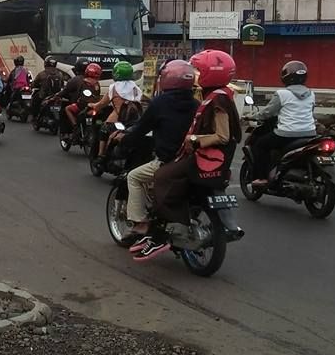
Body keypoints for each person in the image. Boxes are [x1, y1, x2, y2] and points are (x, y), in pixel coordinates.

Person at [141, 50, 243, 261]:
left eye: (198, 70)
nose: (194, 75)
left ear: (209, 73)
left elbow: (222, 136)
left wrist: (195, 140)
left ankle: (175, 227)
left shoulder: (218, 100)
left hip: (206, 158)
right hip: (215, 162)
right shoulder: (220, 95)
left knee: (162, 177)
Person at [113, 60, 199, 247]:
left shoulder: (160, 102)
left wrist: (124, 139)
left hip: (168, 160)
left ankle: (141, 223)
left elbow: (141, 128)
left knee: (134, 177)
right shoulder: (196, 103)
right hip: (191, 160)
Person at [249, 60, 317, 187]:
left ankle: (262, 178)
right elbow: (310, 111)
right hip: (310, 134)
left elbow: (268, 113)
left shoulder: (282, 94)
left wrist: (250, 116)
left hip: (286, 135)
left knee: (260, 145)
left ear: (286, 77)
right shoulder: (311, 94)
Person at [89, 61, 143, 161]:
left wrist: (92, 105)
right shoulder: (136, 87)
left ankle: (101, 155)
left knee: (103, 129)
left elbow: (101, 104)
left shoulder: (113, 87)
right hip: (135, 121)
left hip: (118, 120)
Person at [63, 63, 103, 133]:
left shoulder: (83, 82)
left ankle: (75, 125)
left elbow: (78, 94)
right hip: (94, 106)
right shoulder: (97, 84)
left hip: (82, 105)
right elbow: (97, 95)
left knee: (67, 109)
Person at [53, 58, 88, 136]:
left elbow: (65, 91)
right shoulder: (94, 81)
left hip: (79, 105)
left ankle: (75, 126)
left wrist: (57, 95)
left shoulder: (75, 80)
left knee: (65, 109)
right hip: (91, 105)